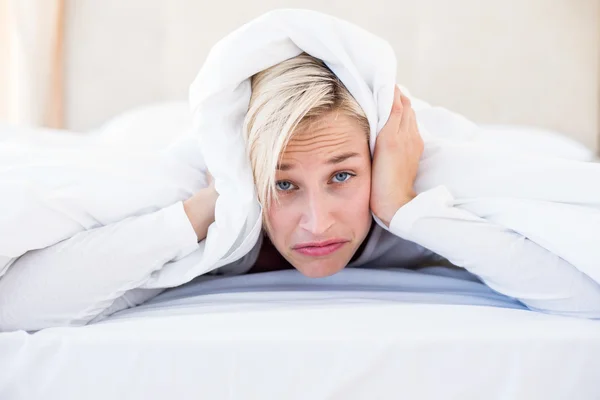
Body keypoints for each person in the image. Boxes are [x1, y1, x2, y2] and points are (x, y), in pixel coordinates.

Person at [1, 53, 598, 332]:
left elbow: (585, 297)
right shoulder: (221, 207)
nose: (317, 223)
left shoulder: (415, 201)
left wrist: (405, 209)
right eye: (283, 184)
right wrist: (204, 209)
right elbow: (16, 307)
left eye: (343, 176)